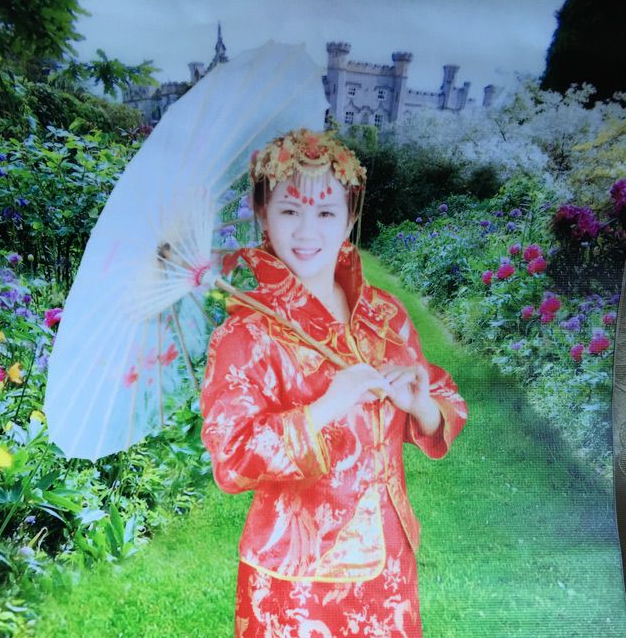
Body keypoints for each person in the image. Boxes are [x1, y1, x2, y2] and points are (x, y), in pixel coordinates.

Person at [200, 127, 468, 637]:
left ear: (350, 217)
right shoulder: (246, 334)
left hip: (389, 567)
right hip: (297, 580)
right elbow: (232, 459)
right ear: (262, 213)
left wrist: (419, 405)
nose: (307, 232)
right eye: (289, 210)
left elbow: (441, 394)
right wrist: (326, 405)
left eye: (325, 213)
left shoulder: (384, 316)